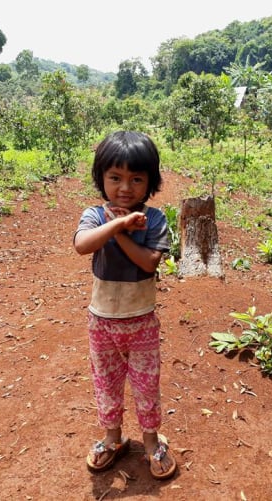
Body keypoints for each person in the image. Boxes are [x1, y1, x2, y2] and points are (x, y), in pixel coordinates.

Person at [73, 131, 177, 480]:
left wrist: (119, 231)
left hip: (141, 321)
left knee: (147, 385)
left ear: (150, 182)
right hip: (101, 321)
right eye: (115, 178)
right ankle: (112, 439)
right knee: (106, 382)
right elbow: (82, 245)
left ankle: (151, 442)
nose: (125, 188)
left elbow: (148, 263)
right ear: (101, 178)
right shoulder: (93, 215)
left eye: (136, 179)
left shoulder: (156, 219)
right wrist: (117, 223)